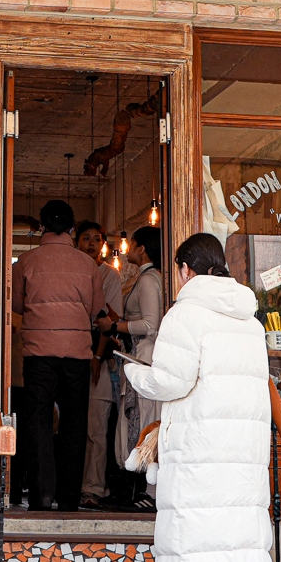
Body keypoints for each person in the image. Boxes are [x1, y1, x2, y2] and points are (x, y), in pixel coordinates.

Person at [124, 232, 281, 562]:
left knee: (204, 553)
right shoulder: (249, 322)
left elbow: (171, 382)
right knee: (237, 550)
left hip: (201, 452)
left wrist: (134, 371)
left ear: (184, 269)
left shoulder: (187, 314)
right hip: (243, 455)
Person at [11, 199, 107, 512]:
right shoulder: (88, 265)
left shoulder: (25, 262)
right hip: (78, 355)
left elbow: (16, 306)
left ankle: (40, 496)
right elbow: (96, 312)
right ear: (70, 228)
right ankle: (68, 499)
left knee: (37, 423)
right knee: (74, 425)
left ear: (41, 227)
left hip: (38, 354)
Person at [98, 226, 164, 510]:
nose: (128, 250)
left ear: (142, 248)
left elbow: (150, 325)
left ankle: (143, 493)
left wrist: (115, 325)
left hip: (144, 357)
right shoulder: (147, 277)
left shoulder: (149, 279)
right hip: (137, 355)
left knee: (141, 420)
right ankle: (136, 490)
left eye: (133, 244)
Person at [75, 221, 124, 510]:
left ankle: (92, 488)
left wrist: (97, 357)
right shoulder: (71, 270)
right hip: (71, 353)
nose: (92, 244)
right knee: (72, 425)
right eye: (86, 238)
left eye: (97, 239)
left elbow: (109, 321)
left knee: (96, 426)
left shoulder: (110, 275)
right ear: (75, 241)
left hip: (99, 357)